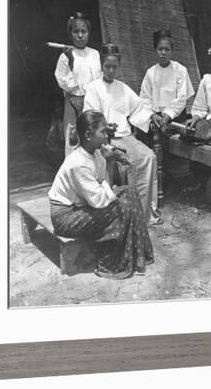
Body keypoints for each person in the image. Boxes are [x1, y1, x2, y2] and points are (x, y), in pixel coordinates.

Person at [48, 111, 154, 279]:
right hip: (65, 217)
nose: (107, 136)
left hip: (82, 207)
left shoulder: (96, 154)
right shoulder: (78, 164)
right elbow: (99, 200)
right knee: (123, 204)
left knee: (130, 193)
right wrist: (115, 191)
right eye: (103, 132)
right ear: (89, 135)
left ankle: (138, 256)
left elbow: (103, 184)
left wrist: (110, 162)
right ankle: (112, 263)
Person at [83, 43, 162, 225]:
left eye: (114, 67)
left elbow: (139, 107)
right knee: (120, 161)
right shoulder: (93, 88)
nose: (111, 71)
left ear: (119, 66)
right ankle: (124, 213)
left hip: (124, 136)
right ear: (101, 66)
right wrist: (103, 126)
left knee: (148, 157)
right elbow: (89, 117)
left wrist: (152, 116)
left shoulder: (122, 87)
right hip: (102, 139)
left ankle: (144, 214)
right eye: (107, 66)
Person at [54, 12, 102, 156]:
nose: (80, 35)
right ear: (71, 34)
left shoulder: (94, 54)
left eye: (84, 31)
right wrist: (71, 62)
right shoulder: (65, 56)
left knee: (93, 139)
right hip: (73, 103)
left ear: (88, 33)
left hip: (91, 102)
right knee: (73, 140)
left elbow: (98, 79)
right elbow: (65, 83)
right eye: (76, 32)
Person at [140, 29, 195, 132]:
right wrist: (152, 115)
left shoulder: (180, 70)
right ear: (155, 50)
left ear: (172, 51)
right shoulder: (150, 73)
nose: (163, 53)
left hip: (175, 116)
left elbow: (182, 99)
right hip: (156, 117)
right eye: (160, 49)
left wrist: (168, 116)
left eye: (167, 49)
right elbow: (145, 98)